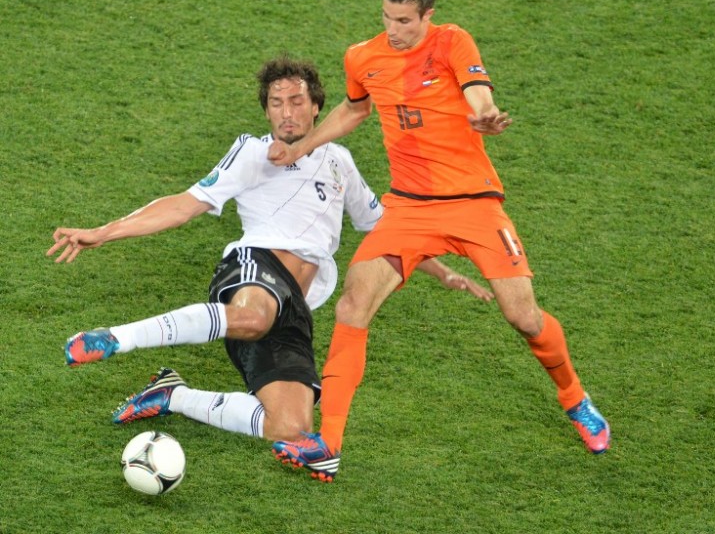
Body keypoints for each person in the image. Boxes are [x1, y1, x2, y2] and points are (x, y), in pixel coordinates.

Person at [268, 0, 610, 481]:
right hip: (408, 207)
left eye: (404, 20)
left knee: (524, 318)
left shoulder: (452, 41)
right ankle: (328, 443)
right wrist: (299, 146)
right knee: (353, 303)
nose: (393, 28)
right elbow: (353, 109)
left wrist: (486, 114)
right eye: (386, 16)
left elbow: (479, 92)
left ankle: (574, 397)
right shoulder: (363, 57)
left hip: (474, 204)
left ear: (427, 14)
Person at [47, 55, 493, 444]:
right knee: (255, 316)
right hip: (254, 268)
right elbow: (184, 205)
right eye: (276, 104)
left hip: (295, 306)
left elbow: (385, 227)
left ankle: (171, 395)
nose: (287, 112)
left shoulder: (339, 160)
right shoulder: (253, 152)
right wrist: (103, 232)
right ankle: (115, 338)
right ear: (266, 112)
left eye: (296, 101)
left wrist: (441, 271)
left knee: (291, 428)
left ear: (318, 106)